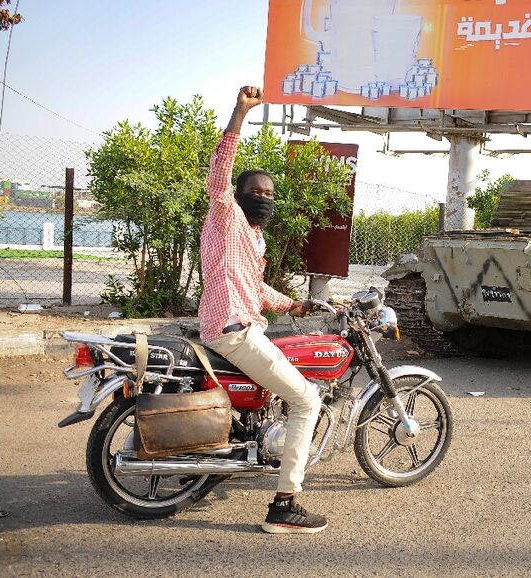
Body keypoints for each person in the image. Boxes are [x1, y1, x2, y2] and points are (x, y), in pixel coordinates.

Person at [198, 86, 326, 534]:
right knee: (306, 399)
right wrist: (240, 113)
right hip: (233, 328)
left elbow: (255, 286)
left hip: (241, 324)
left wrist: (297, 304)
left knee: (283, 384)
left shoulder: (253, 237)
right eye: (256, 190)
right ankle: (285, 503)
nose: (265, 197)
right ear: (238, 194)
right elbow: (219, 172)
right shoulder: (226, 214)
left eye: (270, 192)